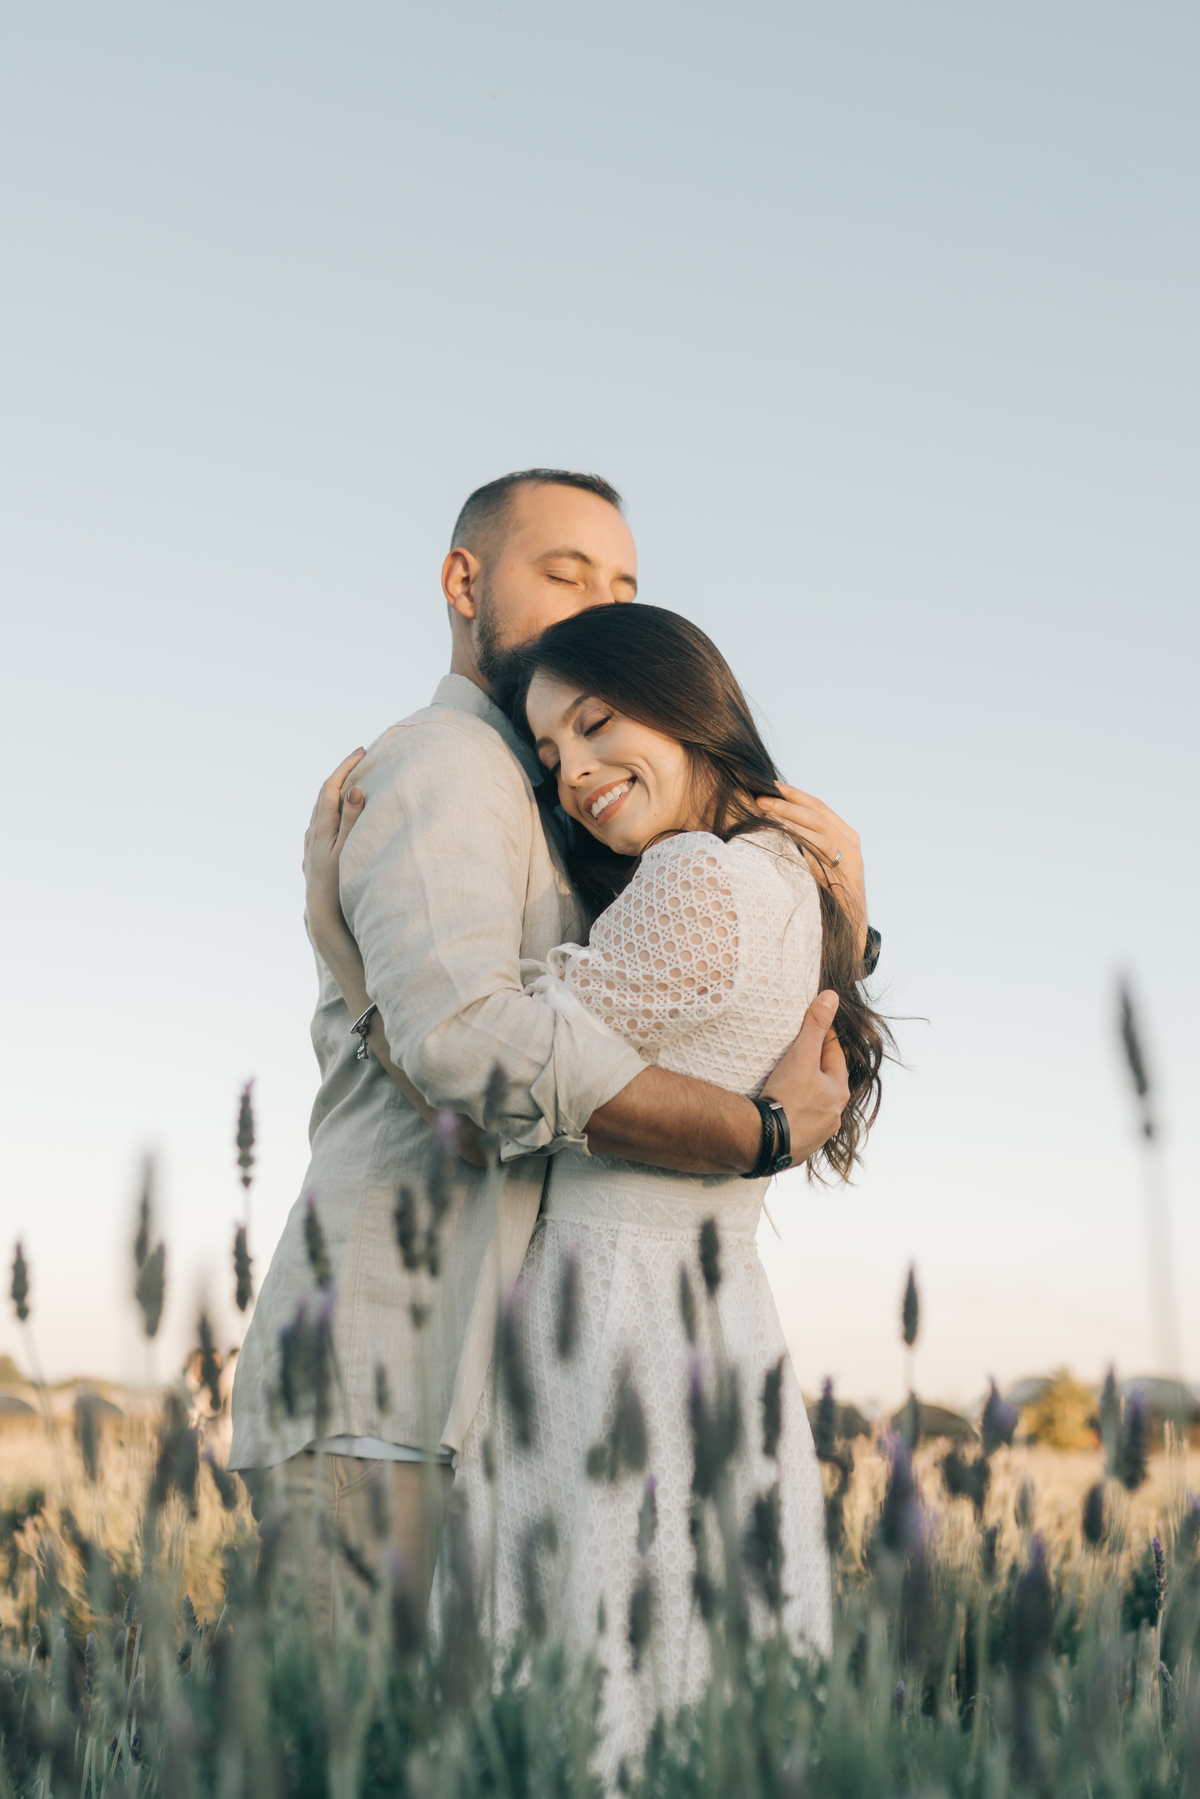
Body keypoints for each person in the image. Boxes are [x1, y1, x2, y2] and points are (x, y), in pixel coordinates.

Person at [230, 470, 871, 1631]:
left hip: (480, 1394)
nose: (594, 605)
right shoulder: (445, 765)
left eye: (622, 583)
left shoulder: (565, 804)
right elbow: (473, 1050)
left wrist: (843, 932)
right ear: (463, 582)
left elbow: (708, 1005)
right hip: (385, 1379)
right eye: (564, 572)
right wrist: (753, 1134)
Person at [307, 603, 890, 1777]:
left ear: (690, 704)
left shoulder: (689, 876)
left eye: (596, 722)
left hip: (607, 1332)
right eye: (549, 753)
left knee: (584, 1695)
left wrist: (342, 934)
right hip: (722, 1331)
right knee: (694, 1685)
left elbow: (493, 1088)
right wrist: (860, 920)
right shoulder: (800, 879)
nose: (572, 771)